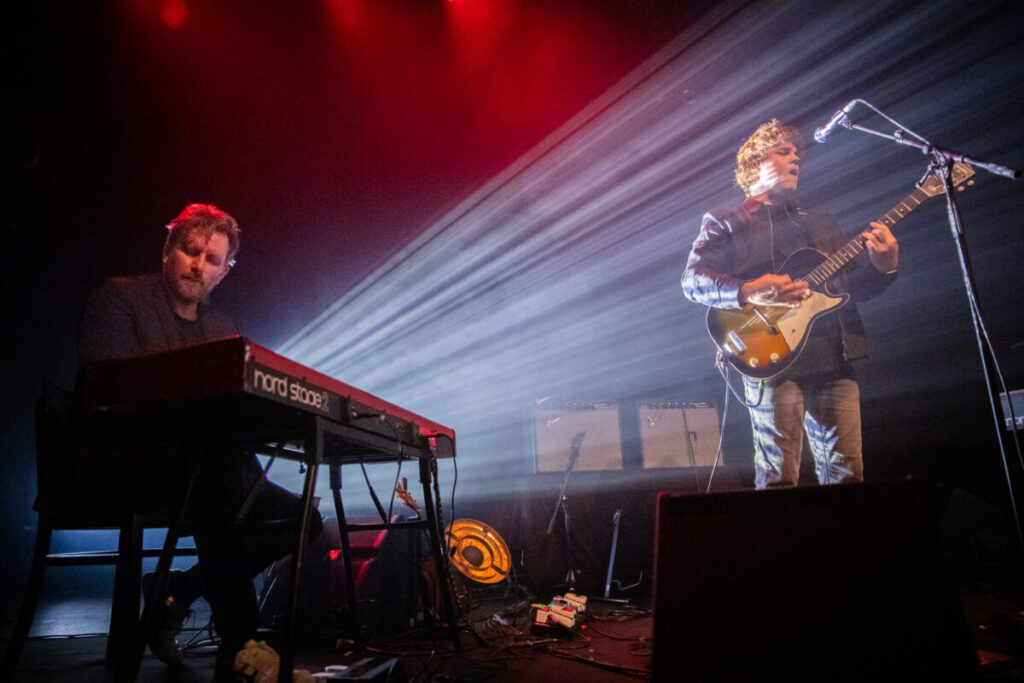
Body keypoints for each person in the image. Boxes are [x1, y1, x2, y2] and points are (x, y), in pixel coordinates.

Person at [77, 203, 323, 670]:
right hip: (133, 463)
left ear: (224, 272)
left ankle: (176, 591)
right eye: (190, 251)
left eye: (212, 260)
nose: (197, 265)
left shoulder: (222, 328)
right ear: (168, 250)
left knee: (304, 518)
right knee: (217, 485)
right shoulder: (119, 299)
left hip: (215, 469)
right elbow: (105, 392)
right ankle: (244, 648)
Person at [681, 120, 899, 488]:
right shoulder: (726, 220)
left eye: (797, 153)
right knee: (779, 479)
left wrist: (885, 267)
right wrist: (749, 289)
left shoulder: (821, 221)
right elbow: (693, 280)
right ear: (755, 162)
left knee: (849, 479)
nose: (796, 157)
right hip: (770, 357)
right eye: (784, 151)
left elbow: (852, 287)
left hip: (834, 356)